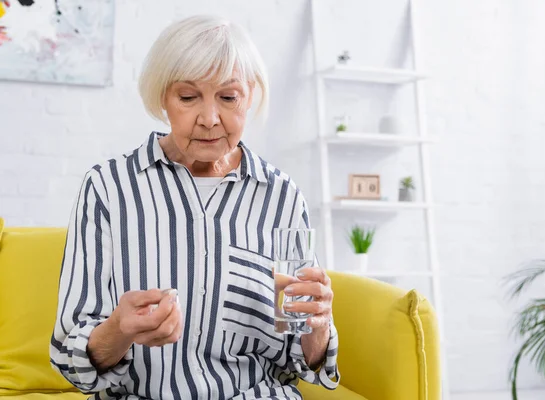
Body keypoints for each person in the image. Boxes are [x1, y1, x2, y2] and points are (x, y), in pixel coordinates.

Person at [50, 15, 339, 400]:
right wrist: (120, 329)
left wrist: (318, 325)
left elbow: (300, 358)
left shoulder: (281, 196)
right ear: (162, 98)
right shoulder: (107, 188)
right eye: (188, 97)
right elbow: (72, 360)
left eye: (228, 97)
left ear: (249, 96)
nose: (209, 118)